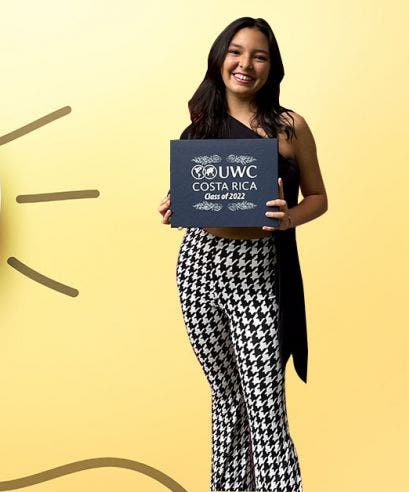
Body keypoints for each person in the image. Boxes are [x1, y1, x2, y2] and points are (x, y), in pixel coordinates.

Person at [157, 17, 328, 492]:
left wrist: (286, 218)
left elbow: (317, 197)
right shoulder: (198, 131)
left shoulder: (289, 127)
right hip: (199, 267)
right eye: (236, 52)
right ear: (219, 58)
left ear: (272, 67)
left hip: (257, 273)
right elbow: (197, 202)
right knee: (226, 397)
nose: (246, 64)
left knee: (264, 404)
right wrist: (177, 208)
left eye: (259, 55)